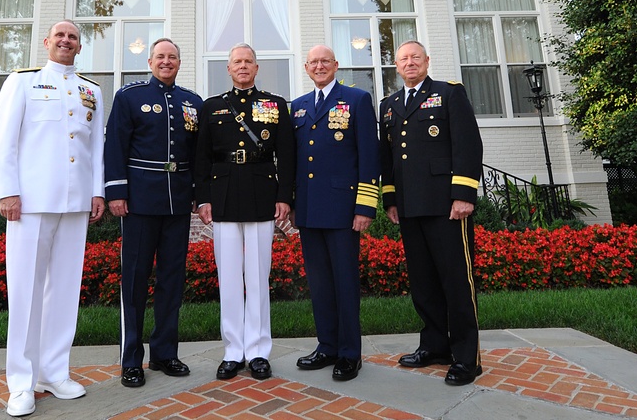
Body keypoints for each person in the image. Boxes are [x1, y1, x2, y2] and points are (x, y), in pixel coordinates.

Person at [0, 20, 106, 417]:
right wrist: (7, 190)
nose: (66, 41)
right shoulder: (22, 82)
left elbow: (97, 146)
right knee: (25, 292)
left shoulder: (92, 90)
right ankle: (20, 383)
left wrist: (98, 191)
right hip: (31, 202)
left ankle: (54, 372)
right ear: (47, 42)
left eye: (73, 37)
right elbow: (4, 138)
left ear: (79, 45)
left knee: (64, 290)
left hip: (74, 203)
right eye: (60, 35)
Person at [379, 40, 484, 386]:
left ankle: (468, 357)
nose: (409, 63)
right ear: (396, 66)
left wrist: (464, 194)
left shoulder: (449, 93)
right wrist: (390, 199)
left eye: (415, 57)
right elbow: (389, 158)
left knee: (455, 281)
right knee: (423, 282)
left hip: (446, 206)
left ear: (427, 60)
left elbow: (467, 145)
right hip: (410, 206)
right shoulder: (390, 105)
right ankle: (435, 345)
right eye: (403, 59)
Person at [194, 43, 296, 381]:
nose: (242, 66)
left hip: (261, 191)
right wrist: (203, 198)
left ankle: (258, 350)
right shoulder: (212, 107)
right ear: (228, 68)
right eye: (236, 61)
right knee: (229, 278)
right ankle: (232, 350)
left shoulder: (275, 104)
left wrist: (285, 196)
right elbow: (201, 159)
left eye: (248, 61)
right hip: (222, 195)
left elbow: (287, 155)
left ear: (256, 67)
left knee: (257, 275)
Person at [104, 38, 200, 388]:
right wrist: (116, 192)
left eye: (172, 57)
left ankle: (164, 353)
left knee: (171, 281)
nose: (166, 61)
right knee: (134, 281)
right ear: (149, 61)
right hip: (140, 202)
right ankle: (131, 359)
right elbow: (115, 145)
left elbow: (198, 155)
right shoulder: (129, 97)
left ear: (179, 62)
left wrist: (198, 195)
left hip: (177, 202)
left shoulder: (192, 102)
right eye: (160, 56)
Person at [291, 45, 380, 381]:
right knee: (320, 284)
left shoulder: (356, 100)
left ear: (336, 65)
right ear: (306, 67)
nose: (319, 66)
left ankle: (349, 353)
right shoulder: (298, 107)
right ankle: (326, 345)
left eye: (324, 61)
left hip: (344, 209)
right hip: (311, 210)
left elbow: (369, 157)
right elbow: (295, 160)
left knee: (344, 282)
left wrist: (365, 206)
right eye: (313, 62)